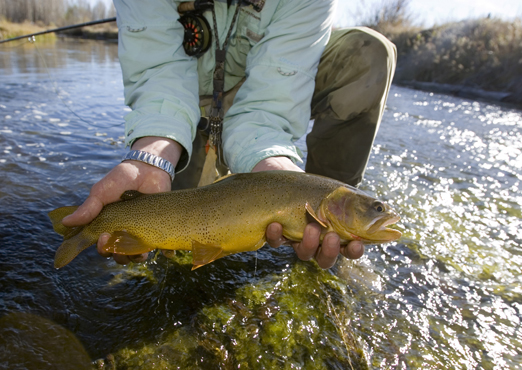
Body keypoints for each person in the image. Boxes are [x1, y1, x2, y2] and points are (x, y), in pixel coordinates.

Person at [62, 0, 396, 269]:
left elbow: (270, 102)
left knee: (369, 51)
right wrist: (151, 155)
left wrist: (273, 168)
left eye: (374, 209)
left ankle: (328, 253)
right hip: (186, 105)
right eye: (375, 209)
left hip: (255, 100)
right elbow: (156, 74)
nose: (380, 213)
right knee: (175, 246)